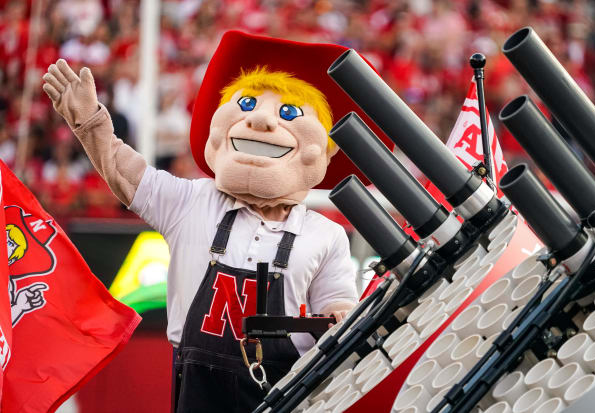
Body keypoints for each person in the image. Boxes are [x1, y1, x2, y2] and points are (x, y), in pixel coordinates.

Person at [41, 30, 392, 412]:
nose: (260, 120)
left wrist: (343, 315)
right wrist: (92, 122)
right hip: (196, 388)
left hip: (284, 391)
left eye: (288, 113)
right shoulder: (192, 200)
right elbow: (125, 173)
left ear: (323, 149)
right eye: (247, 104)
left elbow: (336, 306)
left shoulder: (326, 234)